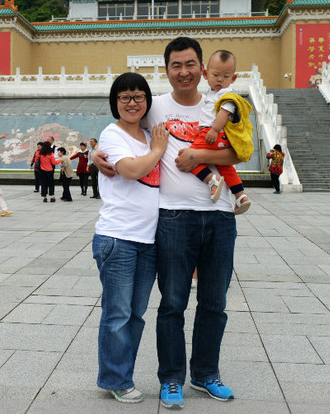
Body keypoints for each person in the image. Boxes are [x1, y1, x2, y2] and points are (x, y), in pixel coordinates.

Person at [94, 37, 240, 409]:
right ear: (167, 70)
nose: (184, 72)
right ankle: (171, 379)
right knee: (172, 303)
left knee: (214, 302)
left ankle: (206, 374)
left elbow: (241, 150)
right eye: (176, 65)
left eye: (191, 64)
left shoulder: (222, 104)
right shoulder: (154, 106)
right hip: (173, 218)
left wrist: (198, 155)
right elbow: (120, 125)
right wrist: (95, 153)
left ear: (202, 68)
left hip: (220, 216)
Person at [93, 72, 168, 403]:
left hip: (148, 241)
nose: (132, 103)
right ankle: (116, 378)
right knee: (118, 313)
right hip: (117, 238)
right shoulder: (112, 135)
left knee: (135, 313)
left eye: (138, 96)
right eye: (124, 97)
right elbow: (132, 171)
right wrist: (158, 150)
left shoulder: (151, 133)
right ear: (115, 103)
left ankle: (121, 373)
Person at [187, 49, 252, 214]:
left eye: (226, 76)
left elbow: (224, 113)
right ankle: (240, 196)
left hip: (213, 133)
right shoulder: (214, 93)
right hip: (217, 136)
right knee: (225, 166)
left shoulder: (227, 94)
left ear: (234, 78)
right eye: (216, 75)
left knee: (187, 158)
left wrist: (214, 129)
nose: (220, 80)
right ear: (206, 73)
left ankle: (211, 180)